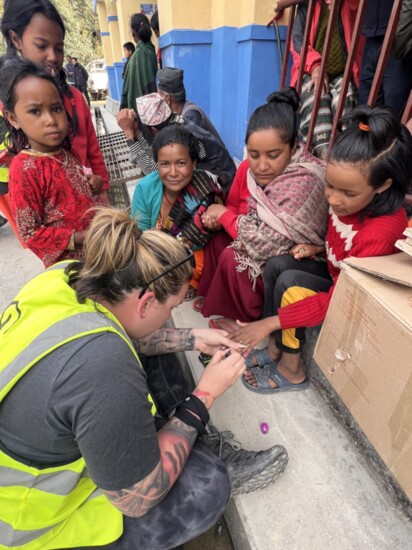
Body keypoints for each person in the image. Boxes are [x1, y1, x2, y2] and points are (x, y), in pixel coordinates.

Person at [0, 206, 289, 549]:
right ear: (146, 301)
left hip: (46, 430)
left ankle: (188, 439)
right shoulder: (102, 365)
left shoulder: (65, 277)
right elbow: (136, 500)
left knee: (156, 348)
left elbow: (123, 333)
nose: (171, 315)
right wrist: (204, 397)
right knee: (207, 484)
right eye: (171, 307)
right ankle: (192, 445)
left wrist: (192, 338)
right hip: (34, 523)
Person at [230, 105, 412, 393]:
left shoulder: (381, 232)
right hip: (336, 273)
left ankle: (292, 369)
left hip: (347, 295)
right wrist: (317, 247)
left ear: (383, 185)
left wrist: (268, 323)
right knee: (278, 263)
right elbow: (340, 245)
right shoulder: (350, 199)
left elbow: (342, 299)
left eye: (347, 193)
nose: (334, 200)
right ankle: (276, 347)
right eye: (330, 186)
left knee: (291, 285)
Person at [194, 87, 329, 325]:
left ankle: (246, 317)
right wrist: (224, 218)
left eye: (273, 155)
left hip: (295, 255)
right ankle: (220, 300)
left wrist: (226, 217)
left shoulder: (303, 181)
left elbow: (264, 244)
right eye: (254, 155)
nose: (262, 165)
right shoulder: (249, 170)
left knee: (233, 257)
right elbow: (235, 204)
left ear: (293, 146)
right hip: (258, 233)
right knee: (217, 242)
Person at [1, 0, 111, 205]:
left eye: (59, 48)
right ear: (16, 39)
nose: (52, 56)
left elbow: (93, 151)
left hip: (88, 208)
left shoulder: (75, 98)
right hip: (48, 224)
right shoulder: (7, 108)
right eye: (41, 46)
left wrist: (102, 186)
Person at [1, 57, 95, 266]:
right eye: (35, 111)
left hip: (99, 253)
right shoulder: (24, 169)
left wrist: (93, 184)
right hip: (70, 269)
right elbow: (30, 233)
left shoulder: (67, 152)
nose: (51, 120)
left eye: (56, 108)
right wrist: (80, 237)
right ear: (13, 118)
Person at [132, 124, 225, 300]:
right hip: (155, 258)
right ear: (157, 164)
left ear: (194, 163)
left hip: (192, 261)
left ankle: (191, 283)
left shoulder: (204, 188)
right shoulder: (145, 188)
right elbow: (139, 237)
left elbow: (203, 236)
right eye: (165, 164)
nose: (173, 172)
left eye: (181, 163)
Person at [117, 93, 236, 192]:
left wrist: (129, 134)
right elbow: (155, 159)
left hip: (224, 184)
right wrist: (136, 132)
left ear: (153, 129)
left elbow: (154, 171)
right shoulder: (174, 123)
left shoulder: (178, 137)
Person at [291, 0, 361, 159]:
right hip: (311, 69)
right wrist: (315, 66)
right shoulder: (307, 6)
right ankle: (321, 154)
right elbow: (297, 42)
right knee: (316, 94)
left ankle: (344, 152)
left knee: (346, 95)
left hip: (342, 72)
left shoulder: (349, 4)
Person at [359, 0, 412, 118]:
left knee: (392, 116)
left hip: (397, 40)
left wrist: (402, 39)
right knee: (366, 114)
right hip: (371, 36)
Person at [157, 66, 225, 143]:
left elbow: (189, 150)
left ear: (167, 99)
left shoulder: (191, 116)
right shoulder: (180, 112)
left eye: (159, 97)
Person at [120, 12, 157, 110]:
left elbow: (129, 93)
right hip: (156, 110)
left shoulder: (136, 58)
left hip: (141, 114)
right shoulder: (152, 51)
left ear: (133, 33)